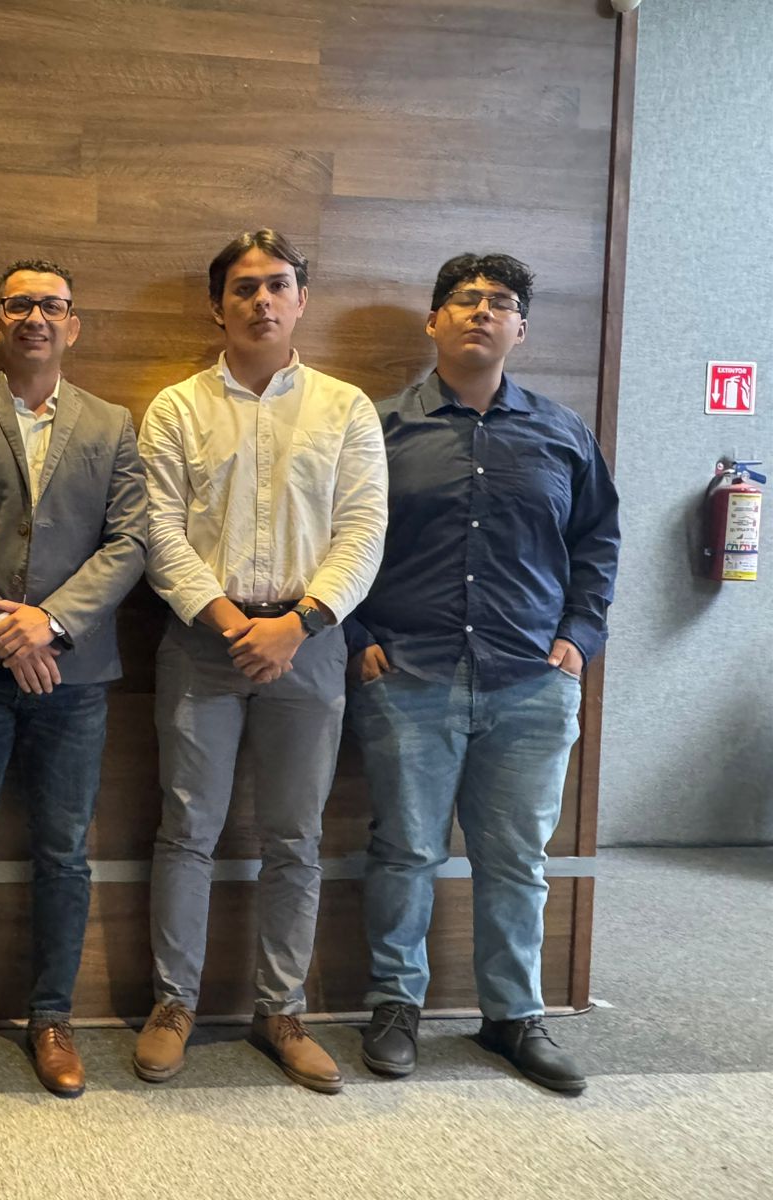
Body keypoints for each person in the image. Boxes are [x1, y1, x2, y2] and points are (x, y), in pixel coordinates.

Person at [347, 254, 619, 1095]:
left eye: (500, 304)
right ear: (434, 322)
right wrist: (356, 632)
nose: (481, 313)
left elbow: (598, 543)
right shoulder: (380, 430)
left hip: (531, 682)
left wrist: (579, 636)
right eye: (463, 300)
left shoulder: (563, 433)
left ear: (521, 330)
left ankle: (513, 1017)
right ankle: (395, 1006)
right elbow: (338, 540)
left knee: (517, 859)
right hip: (409, 674)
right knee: (405, 852)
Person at [133, 230, 387, 1093]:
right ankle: (175, 1004)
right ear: (218, 306)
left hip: (309, 646)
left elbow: (362, 529)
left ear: (302, 300)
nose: (262, 302)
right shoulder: (174, 408)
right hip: (203, 642)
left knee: (296, 838)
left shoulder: (346, 408)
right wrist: (228, 616)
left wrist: (299, 623)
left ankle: (282, 1010)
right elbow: (158, 528)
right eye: (244, 288)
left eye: (279, 286)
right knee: (187, 830)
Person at [0, 259, 147, 1098]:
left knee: (64, 855)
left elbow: (130, 543)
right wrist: (6, 630)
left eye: (52, 306)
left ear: (73, 324)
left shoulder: (114, 425)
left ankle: (52, 1017)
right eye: (19, 304)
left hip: (74, 679)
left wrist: (51, 622)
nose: (35, 317)